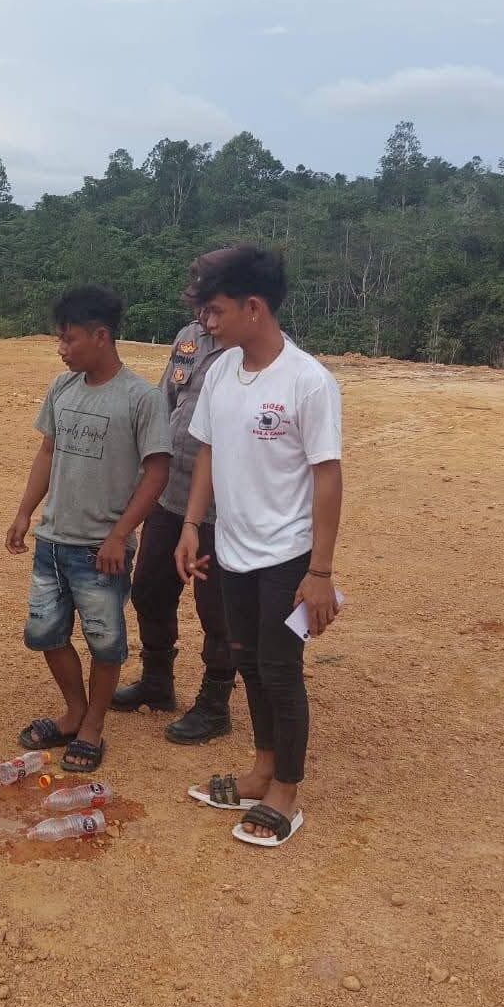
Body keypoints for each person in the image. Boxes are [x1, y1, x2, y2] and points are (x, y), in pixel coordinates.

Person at [176, 245, 342, 847]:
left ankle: (285, 794)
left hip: (289, 556)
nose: (208, 325)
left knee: (280, 671)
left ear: (253, 306)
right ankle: (261, 769)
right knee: (247, 661)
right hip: (232, 548)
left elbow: (328, 475)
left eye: (216, 312)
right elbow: (208, 453)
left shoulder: (308, 381)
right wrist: (194, 526)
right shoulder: (221, 371)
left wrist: (319, 571)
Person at [6, 284, 172, 772]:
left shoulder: (141, 398)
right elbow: (47, 452)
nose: (61, 349)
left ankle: (94, 724)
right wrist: (24, 512)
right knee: (47, 634)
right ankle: (74, 711)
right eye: (60, 339)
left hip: (102, 549)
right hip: (52, 541)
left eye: (70, 339)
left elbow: (157, 472)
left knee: (104, 640)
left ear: (101, 336)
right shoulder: (62, 389)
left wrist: (120, 535)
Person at [113, 250, 236, 743]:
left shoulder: (256, 353)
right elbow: (168, 399)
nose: (206, 319)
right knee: (150, 588)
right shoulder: (189, 339)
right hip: (171, 495)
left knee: (217, 608)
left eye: (214, 308)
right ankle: (157, 681)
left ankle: (215, 703)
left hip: (222, 508)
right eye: (201, 307)